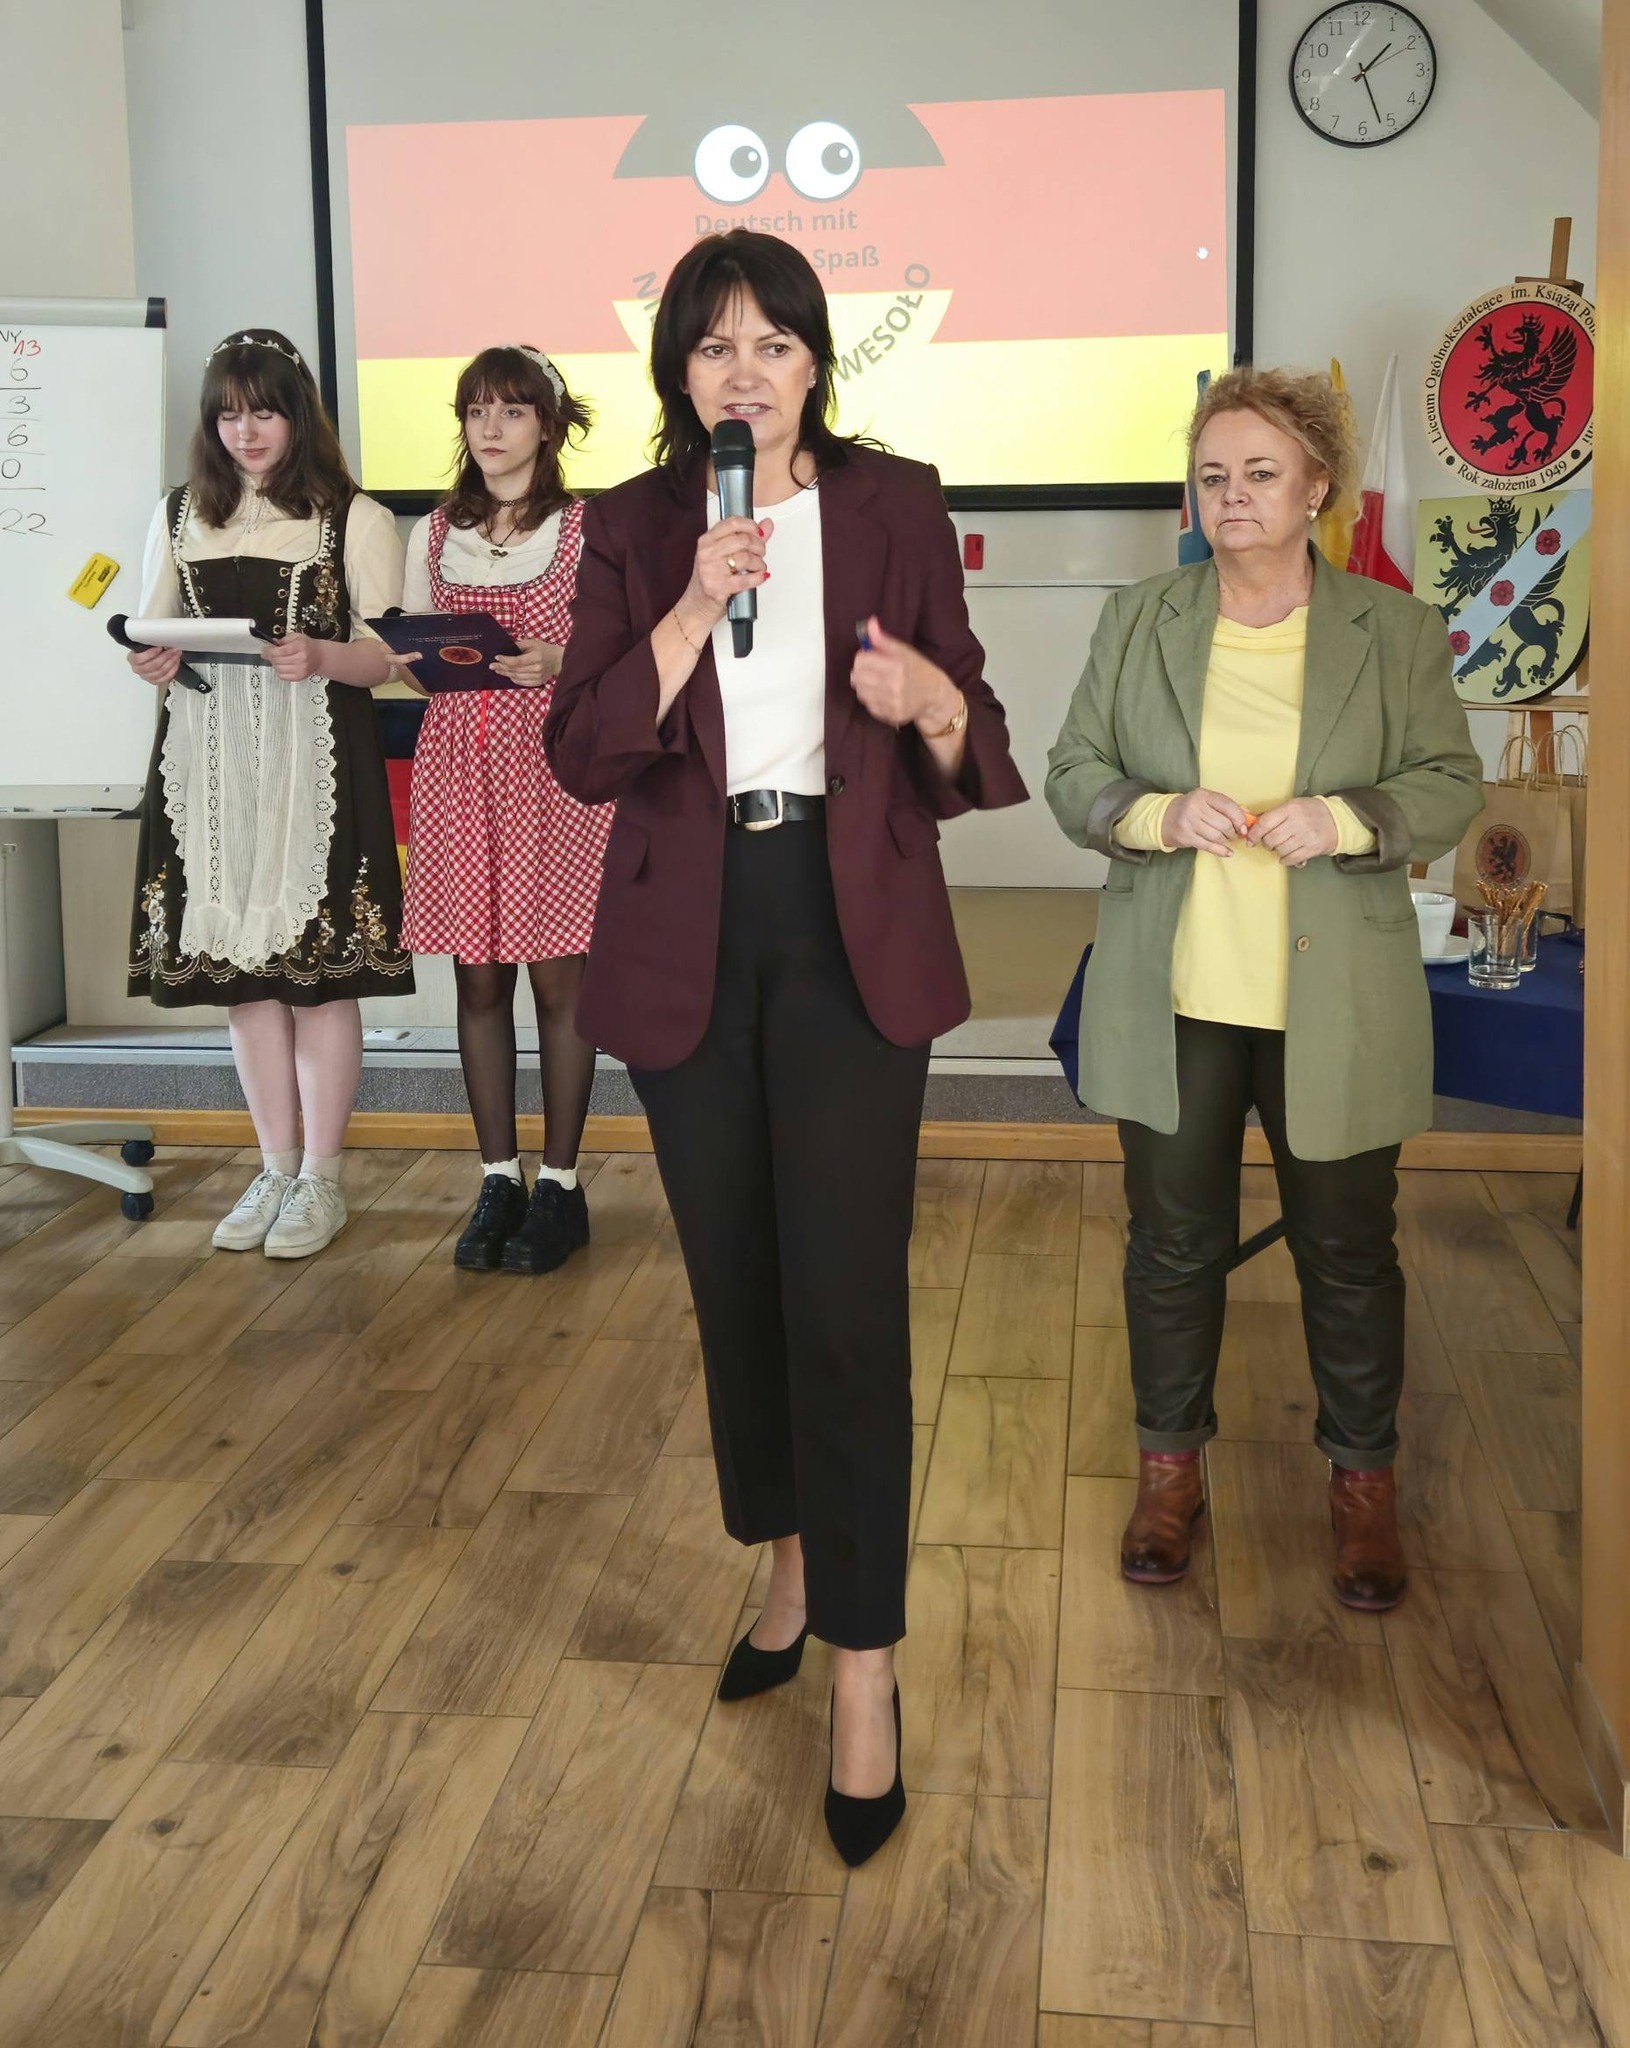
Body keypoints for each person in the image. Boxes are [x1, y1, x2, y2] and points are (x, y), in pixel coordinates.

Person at [545, 230, 1027, 1865]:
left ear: (818, 360)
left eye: (772, 343)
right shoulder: (633, 524)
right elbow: (584, 749)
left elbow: (971, 733)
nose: (742, 372)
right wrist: (692, 602)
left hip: (848, 927)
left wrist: (930, 705)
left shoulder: (896, 504)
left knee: (847, 1302)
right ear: (678, 374)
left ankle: (865, 1668)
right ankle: (792, 1558)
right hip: (687, 931)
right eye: (712, 347)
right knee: (736, 1283)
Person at [1045, 365, 1481, 1613]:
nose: (1230, 494)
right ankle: (1168, 1474)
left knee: (1347, 1250)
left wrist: (1347, 820)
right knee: (1170, 1248)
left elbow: (1450, 782)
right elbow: (1072, 767)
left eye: (1259, 473)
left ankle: (1362, 1485)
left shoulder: (1393, 629)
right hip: (1174, 992)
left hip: (1333, 1005)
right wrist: (1151, 812)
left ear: (1315, 489)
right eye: (1212, 474)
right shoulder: (1139, 617)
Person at [127, 328, 412, 1259]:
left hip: (313, 758)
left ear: (299, 417)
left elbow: (391, 658)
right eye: (228, 415)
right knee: (244, 981)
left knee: (319, 982)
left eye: (263, 413)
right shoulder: (179, 514)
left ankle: (322, 1177)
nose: (245, 432)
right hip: (211, 764)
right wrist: (151, 661)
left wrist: (323, 654)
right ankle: (274, 1167)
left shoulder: (353, 517)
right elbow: (152, 635)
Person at [399, 345, 609, 1274]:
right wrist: (421, 657)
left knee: (562, 983)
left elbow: (624, 645)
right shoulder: (432, 531)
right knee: (478, 982)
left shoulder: (586, 528)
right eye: (477, 410)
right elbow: (412, 661)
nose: (491, 427)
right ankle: (498, 1178)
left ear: (548, 426)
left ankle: (560, 1184)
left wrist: (560, 659)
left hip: (552, 768)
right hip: (460, 766)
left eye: (512, 410)